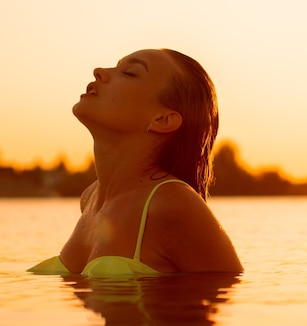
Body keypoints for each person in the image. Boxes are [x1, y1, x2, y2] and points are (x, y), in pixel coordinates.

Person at [28, 49, 243, 276]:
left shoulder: (172, 203)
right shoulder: (90, 198)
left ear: (162, 119)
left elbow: (227, 295)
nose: (99, 71)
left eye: (130, 73)